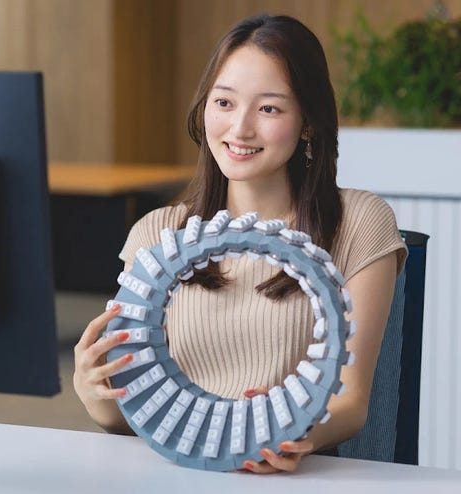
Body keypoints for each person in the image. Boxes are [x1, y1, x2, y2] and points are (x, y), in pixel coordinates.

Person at [73, 14, 406, 474]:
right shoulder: (157, 234)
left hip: (287, 479)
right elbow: (129, 415)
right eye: (224, 102)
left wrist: (289, 437)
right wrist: (96, 391)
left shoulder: (359, 222)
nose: (240, 129)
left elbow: (350, 400)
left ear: (308, 122)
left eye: (269, 109)